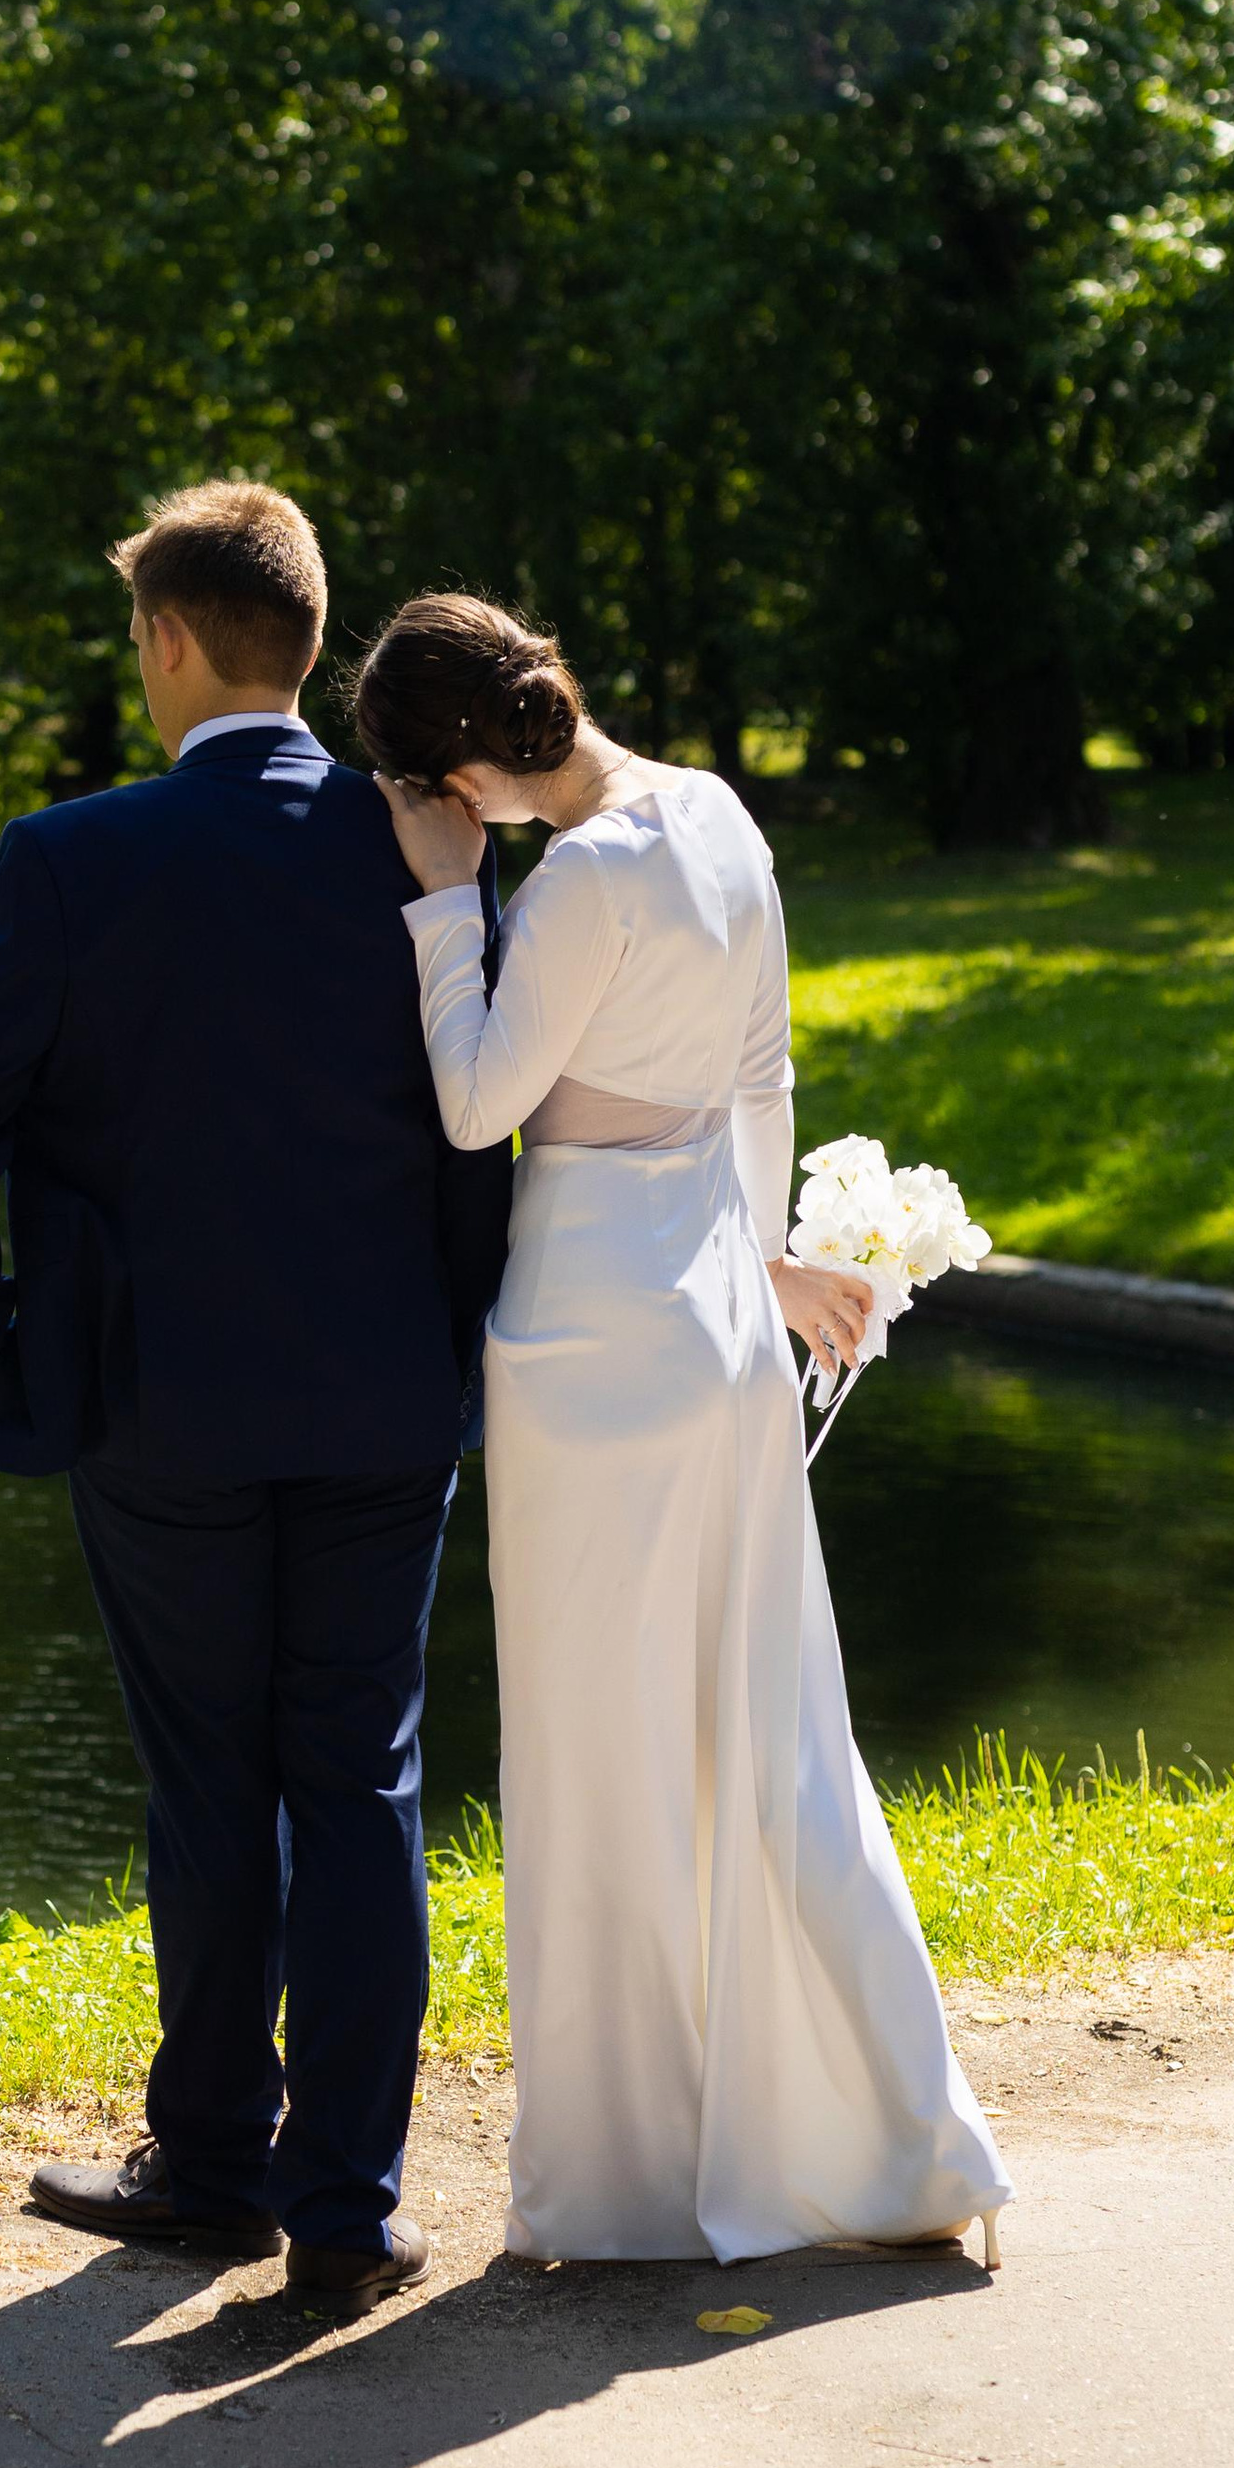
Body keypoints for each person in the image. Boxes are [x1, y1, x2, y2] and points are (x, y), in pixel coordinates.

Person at [0, 485, 513, 2307]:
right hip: (389, 1399)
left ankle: (213, 2163)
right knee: (361, 1778)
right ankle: (348, 2205)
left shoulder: (74, 858)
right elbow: (486, 1123)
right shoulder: (427, 848)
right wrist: (453, 1333)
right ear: (310, 642)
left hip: (153, 1407)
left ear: (172, 640)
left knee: (209, 1784)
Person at [356, 593, 1009, 2269]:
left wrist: (445, 909)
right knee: (771, 1729)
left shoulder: (571, 877)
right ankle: (899, 2140)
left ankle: (627, 2185)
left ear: (456, 769)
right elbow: (760, 1076)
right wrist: (769, 1257)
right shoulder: (718, 812)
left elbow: (481, 1102)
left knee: (601, 1752)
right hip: (714, 1318)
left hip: (590, 1335)